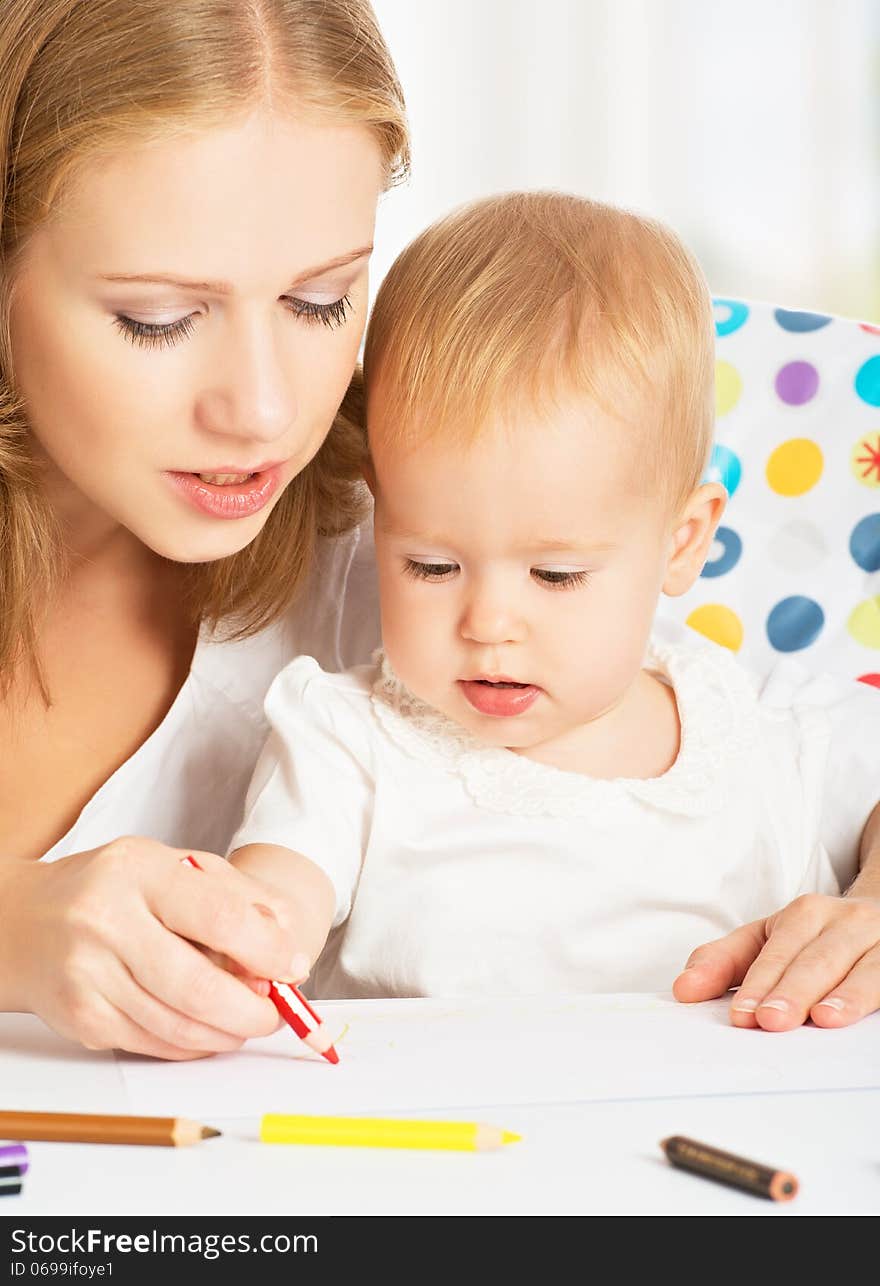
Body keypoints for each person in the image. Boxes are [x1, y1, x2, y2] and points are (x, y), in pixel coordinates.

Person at [228, 192, 880, 1029]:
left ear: (683, 542)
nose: (489, 622)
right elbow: (274, 899)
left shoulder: (764, 737)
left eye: (557, 575)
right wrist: (246, 942)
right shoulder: (344, 744)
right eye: (431, 564)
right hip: (427, 1145)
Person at [0, 0, 407, 1059]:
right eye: (159, 319)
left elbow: (761, 743)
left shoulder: (406, 568)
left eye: (320, 300)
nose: (264, 411)